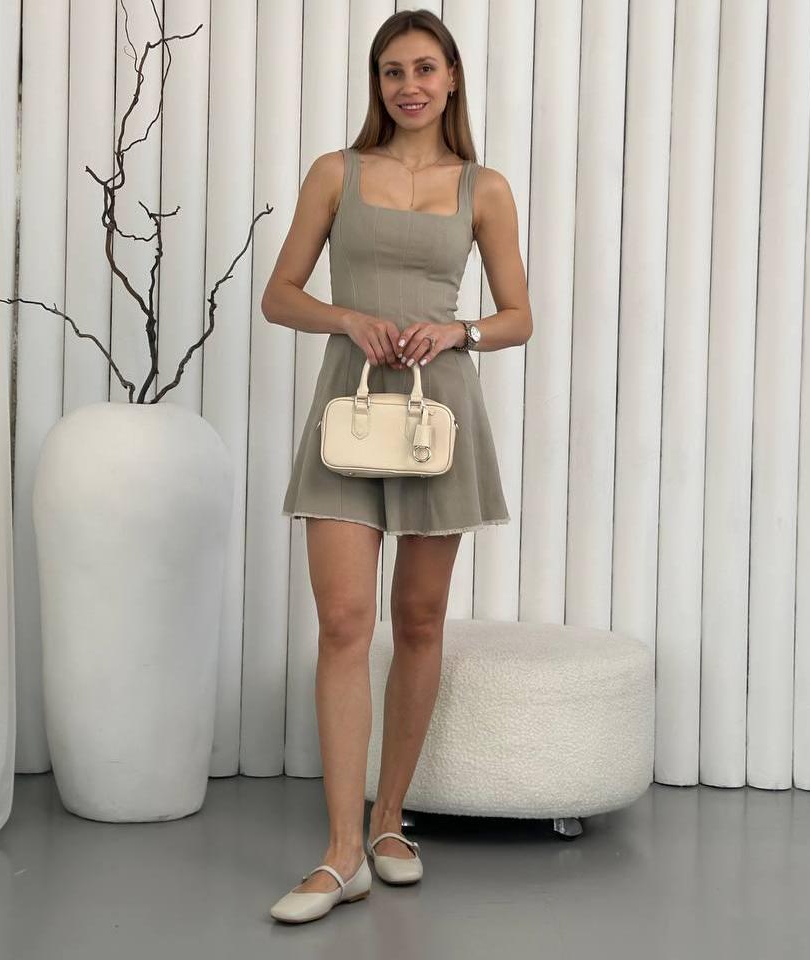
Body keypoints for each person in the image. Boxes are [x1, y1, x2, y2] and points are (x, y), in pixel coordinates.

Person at [261, 9, 532, 923]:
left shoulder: (484, 189)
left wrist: (460, 332)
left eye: (423, 68)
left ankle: (388, 824)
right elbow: (279, 295)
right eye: (391, 71)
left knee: (418, 622)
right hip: (349, 407)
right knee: (344, 623)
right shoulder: (334, 172)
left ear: (451, 78)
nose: (407, 85)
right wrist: (346, 316)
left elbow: (519, 314)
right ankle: (342, 853)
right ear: (377, 84)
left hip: (437, 415)